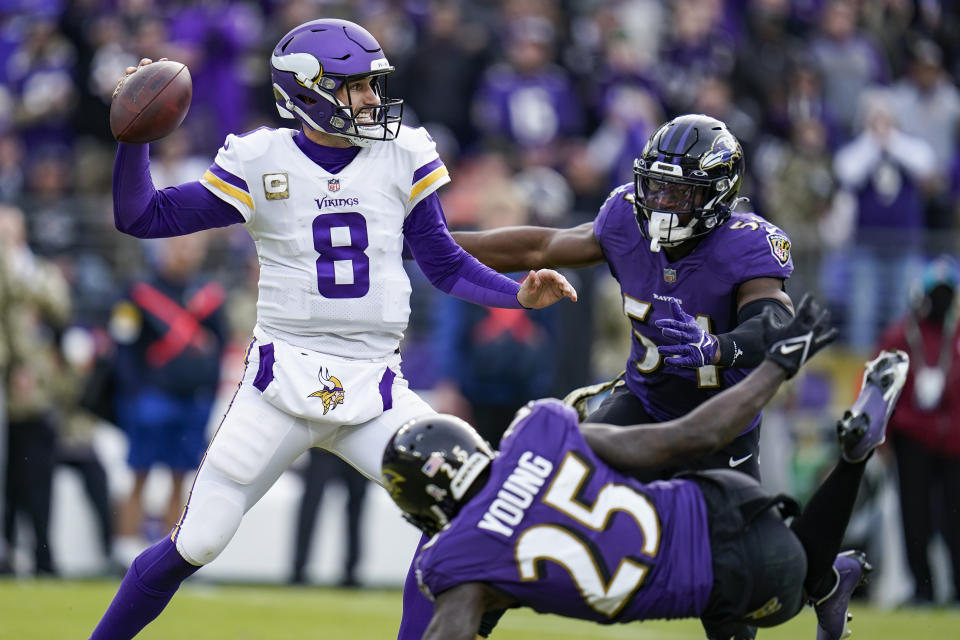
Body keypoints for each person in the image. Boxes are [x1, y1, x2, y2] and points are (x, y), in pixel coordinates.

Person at [87, 18, 575, 640]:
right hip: (280, 383)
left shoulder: (404, 154)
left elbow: (442, 260)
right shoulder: (260, 158)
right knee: (198, 543)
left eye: (374, 83)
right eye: (357, 86)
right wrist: (134, 139)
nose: (373, 98)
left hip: (375, 386)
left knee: (462, 511)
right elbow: (142, 216)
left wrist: (517, 296)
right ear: (308, 90)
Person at [437, 112, 794, 640]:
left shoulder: (747, 243)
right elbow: (539, 247)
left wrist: (716, 347)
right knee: (540, 503)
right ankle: (476, 622)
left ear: (717, 194)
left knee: (730, 587)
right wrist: (436, 243)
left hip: (722, 425)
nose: (662, 203)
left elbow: (774, 320)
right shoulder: (625, 218)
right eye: (656, 187)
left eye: (680, 193)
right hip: (643, 405)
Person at [381, 295, 910, 640]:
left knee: (781, 595)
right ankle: (842, 507)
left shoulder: (456, 558)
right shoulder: (537, 432)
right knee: (794, 569)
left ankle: (852, 467)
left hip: (719, 579)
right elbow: (688, 437)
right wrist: (778, 364)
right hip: (716, 494)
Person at [110, 233, 228, 561]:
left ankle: (167, 557)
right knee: (139, 472)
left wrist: (210, 392)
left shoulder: (210, 295)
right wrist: (133, 394)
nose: (185, 254)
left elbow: (219, 346)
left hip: (193, 401)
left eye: (192, 248)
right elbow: (124, 344)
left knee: (181, 478)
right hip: (151, 399)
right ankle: (125, 550)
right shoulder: (139, 291)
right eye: (179, 247)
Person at [878, 255, 960, 605]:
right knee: (915, 517)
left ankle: (957, 588)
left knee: (956, 521)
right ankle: (922, 588)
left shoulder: (956, 336)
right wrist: (881, 435)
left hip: (955, 441)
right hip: (912, 440)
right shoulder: (899, 335)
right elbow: (879, 388)